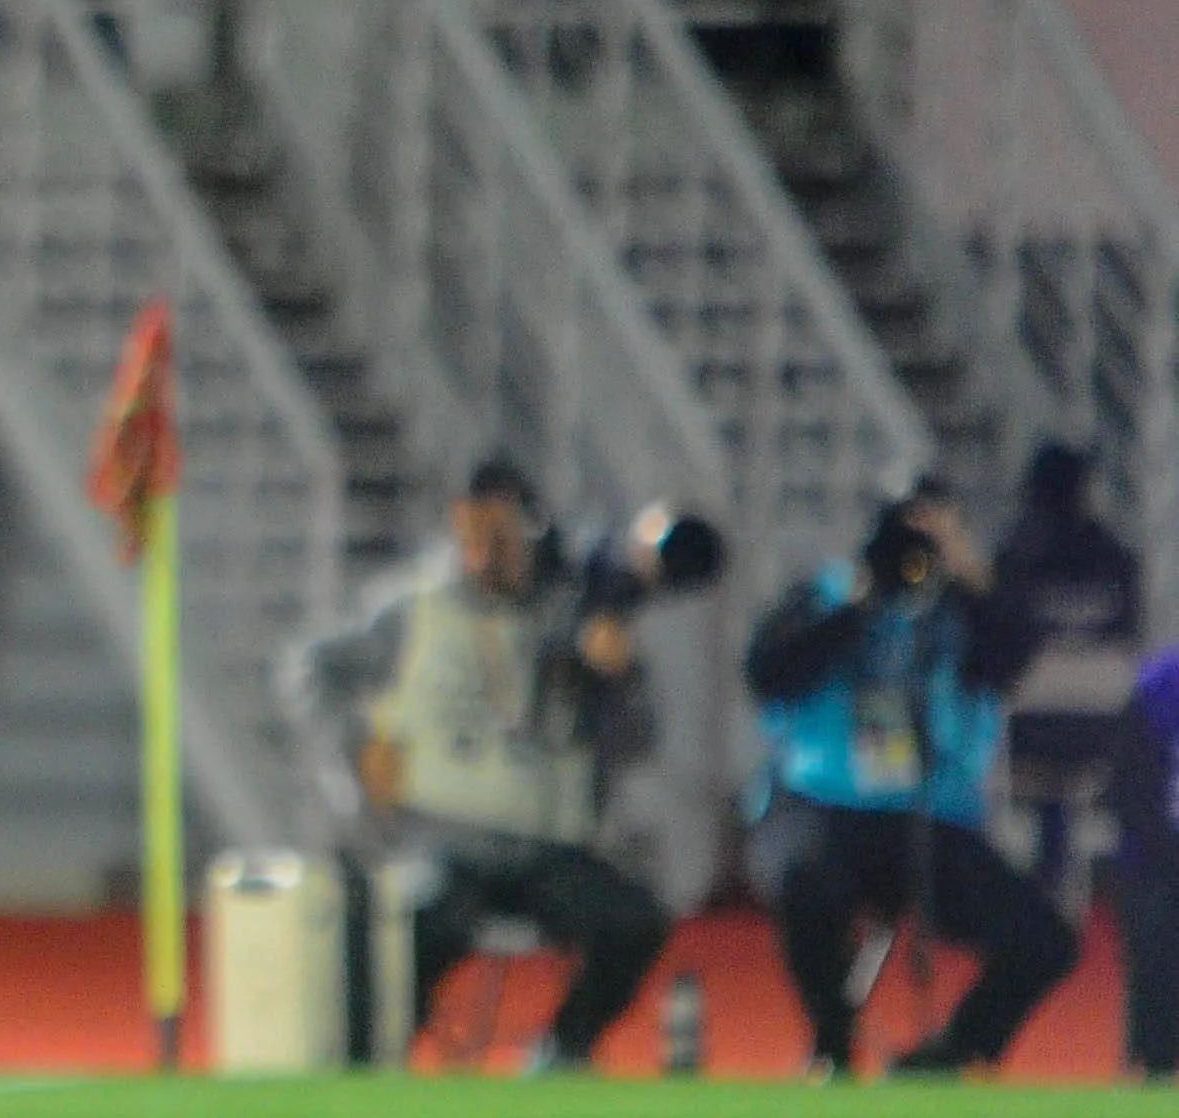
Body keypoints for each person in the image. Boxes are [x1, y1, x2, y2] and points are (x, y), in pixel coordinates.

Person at [288, 456, 674, 1074]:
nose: (484, 550)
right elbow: (311, 670)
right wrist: (353, 754)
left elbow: (640, 740)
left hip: (549, 844)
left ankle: (564, 1049)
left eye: (499, 533)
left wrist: (617, 676)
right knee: (417, 925)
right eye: (471, 531)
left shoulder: (571, 613)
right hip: (443, 837)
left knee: (632, 921)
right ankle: (379, 1058)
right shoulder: (413, 608)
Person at [745, 473, 1075, 1078]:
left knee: (1045, 939)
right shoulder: (825, 596)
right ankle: (833, 1041)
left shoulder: (963, 611)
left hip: (930, 814)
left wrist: (966, 570)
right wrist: (861, 602)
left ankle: (951, 1053)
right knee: (804, 877)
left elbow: (1013, 653)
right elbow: (769, 672)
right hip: (823, 802)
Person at [991, 440, 1143, 896]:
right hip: (1104, 722)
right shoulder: (1117, 555)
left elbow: (995, 639)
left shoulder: (1014, 553)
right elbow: (1131, 635)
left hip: (1030, 724)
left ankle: (1044, 882)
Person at [1112, 643, 1179, 1081]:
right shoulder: (1160, 684)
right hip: (1160, 853)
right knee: (1157, 938)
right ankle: (1151, 1065)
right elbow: (1130, 784)